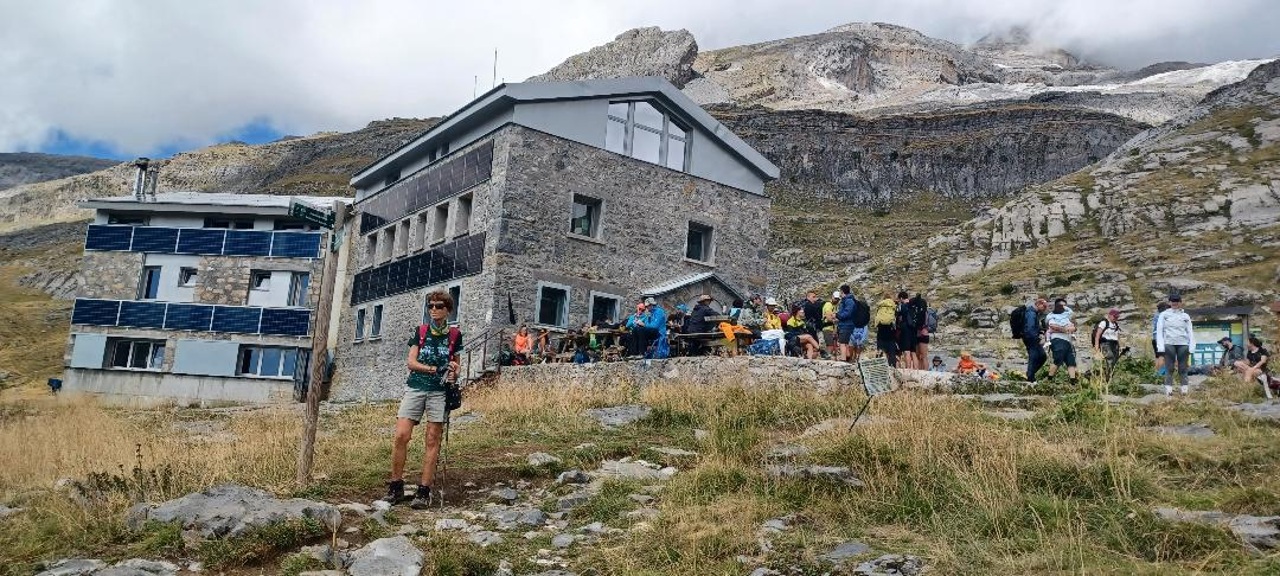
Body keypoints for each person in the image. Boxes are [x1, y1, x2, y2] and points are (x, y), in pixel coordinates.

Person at [383, 290, 461, 508]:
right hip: (415, 387)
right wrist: (434, 368)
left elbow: (457, 363)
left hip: (439, 392)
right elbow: (411, 362)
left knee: (432, 439)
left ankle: (424, 490)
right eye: (431, 306)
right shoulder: (421, 331)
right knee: (401, 435)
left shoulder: (454, 335)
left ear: (448, 310)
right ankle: (395, 485)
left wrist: (454, 371)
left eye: (439, 306)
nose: (434, 310)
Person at [1155, 294, 1195, 396]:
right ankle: (1169, 390)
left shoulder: (1185, 316)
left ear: (1180, 302)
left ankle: (1184, 390)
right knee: (1169, 367)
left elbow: (1190, 331)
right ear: (1169, 302)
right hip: (1169, 343)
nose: (1174, 303)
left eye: (1177, 301)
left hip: (1183, 344)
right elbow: (1159, 331)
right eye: (1172, 301)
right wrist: (1160, 346)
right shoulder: (1164, 315)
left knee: (1183, 368)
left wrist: (1192, 345)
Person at [1045, 298, 1078, 380]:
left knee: (1071, 360)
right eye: (1061, 305)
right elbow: (1053, 326)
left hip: (1067, 340)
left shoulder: (1067, 316)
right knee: (1058, 358)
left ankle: (1073, 380)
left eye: (1065, 306)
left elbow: (1074, 327)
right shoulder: (1051, 316)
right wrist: (1065, 329)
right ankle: (1049, 378)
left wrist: (1071, 328)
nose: (1064, 307)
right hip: (1057, 339)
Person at [1022, 298, 1049, 383]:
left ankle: (1030, 374)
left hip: (1032, 337)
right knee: (1033, 356)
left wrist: (1041, 329)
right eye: (1044, 306)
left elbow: (1033, 326)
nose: (1044, 309)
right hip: (1031, 338)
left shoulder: (1034, 313)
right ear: (1038, 304)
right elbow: (1030, 328)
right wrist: (1036, 337)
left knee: (1042, 356)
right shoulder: (1031, 314)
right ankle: (1030, 377)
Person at [1093, 309, 1122, 381]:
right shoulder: (1104, 323)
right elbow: (1097, 335)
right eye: (1114, 316)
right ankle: (1108, 378)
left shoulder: (1116, 324)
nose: (1116, 318)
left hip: (1115, 344)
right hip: (1105, 343)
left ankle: (1110, 377)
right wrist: (1096, 347)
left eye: (1117, 317)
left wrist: (1119, 345)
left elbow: (1117, 336)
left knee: (1115, 361)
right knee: (1110, 359)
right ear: (1109, 315)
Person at [873, 290, 899, 367]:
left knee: (880, 349)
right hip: (891, 331)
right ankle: (892, 367)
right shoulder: (894, 306)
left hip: (881, 331)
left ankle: (878, 366)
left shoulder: (880, 306)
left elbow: (877, 318)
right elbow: (897, 318)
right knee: (891, 351)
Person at [895, 291, 919, 369]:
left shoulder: (903, 305)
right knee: (913, 352)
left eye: (899, 299)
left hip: (906, 330)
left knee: (906, 351)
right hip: (914, 329)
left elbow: (900, 317)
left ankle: (908, 369)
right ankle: (916, 369)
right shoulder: (914, 305)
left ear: (901, 298)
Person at [910, 293, 931, 371]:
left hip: (918, 334)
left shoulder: (918, 312)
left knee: (919, 355)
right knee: (923, 356)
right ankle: (925, 370)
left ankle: (922, 370)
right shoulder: (926, 312)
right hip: (924, 334)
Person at [1151, 302, 1170, 380]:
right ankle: (1161, 374)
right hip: (1160, 339)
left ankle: (1156, 373)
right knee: (1162, 357)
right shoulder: (1162, 316)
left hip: (1154, 339)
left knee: (1157, 357)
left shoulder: (1156, 315)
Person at [822, 292, 839, 356]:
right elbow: (829, 318)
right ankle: (827, 356)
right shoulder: (828, 305)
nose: (837, 300)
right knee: (830, 346)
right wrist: (838, 320)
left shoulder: (833, 306)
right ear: (832, 297)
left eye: (838, 299)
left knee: (834, 346)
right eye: (836, 298)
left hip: (832, 328)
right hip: (828, 328)